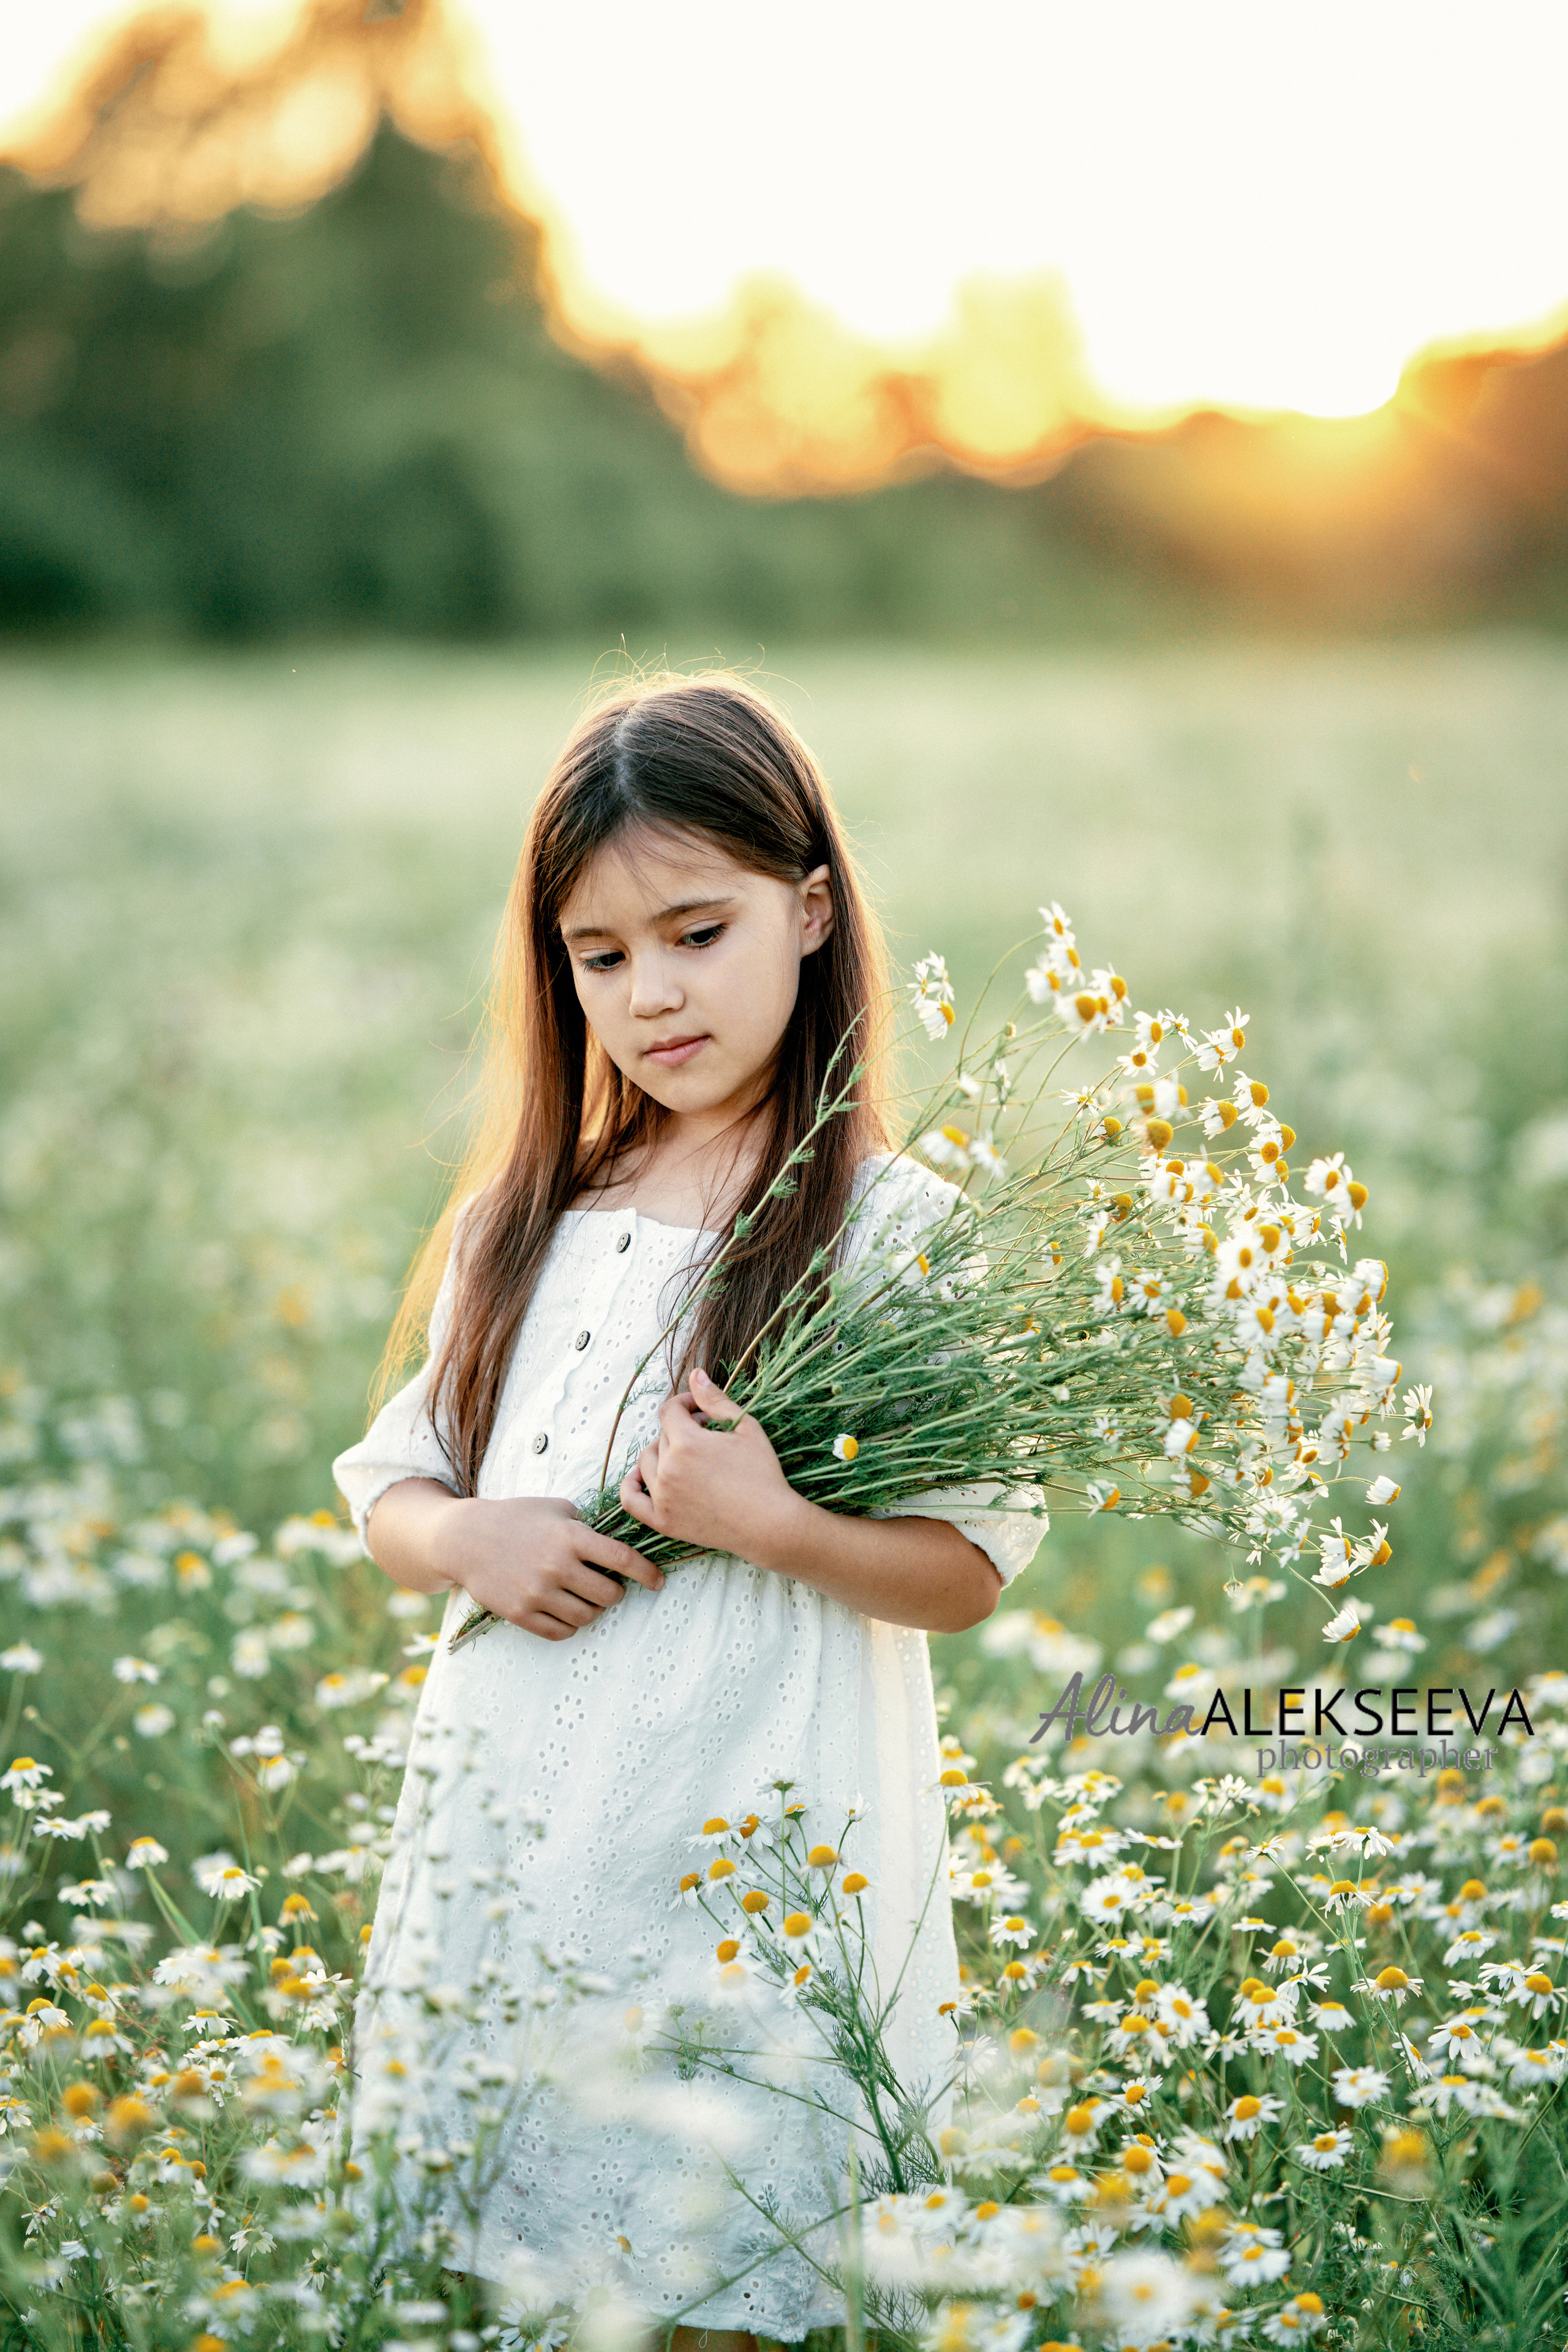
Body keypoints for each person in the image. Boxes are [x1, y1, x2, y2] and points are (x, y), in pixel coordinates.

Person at [332, 672, 1041, 2344]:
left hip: (746, 1846)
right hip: (521, 1839)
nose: (651, 993)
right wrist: (471, 1539)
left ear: (813, 912)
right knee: (517, 2261)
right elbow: (392, 1489)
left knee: (717, 2256)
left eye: (698, 933)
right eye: (600, 956)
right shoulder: (528, 1218)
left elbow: (965, 1570)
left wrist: (769, 1521)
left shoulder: (892, 1227)